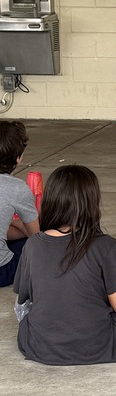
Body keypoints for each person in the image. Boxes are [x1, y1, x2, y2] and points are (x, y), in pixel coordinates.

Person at [14, 165, 116, 366]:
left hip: (38, 345)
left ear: (49, 202)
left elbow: (25, 296)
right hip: (97, 344)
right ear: (92, 204)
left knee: (22, 304)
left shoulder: (32, 244)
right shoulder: (106, 245)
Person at [0, 120, 39, 287]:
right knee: (38, 246)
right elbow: (36, 236)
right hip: (2, 271)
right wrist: (17, 223)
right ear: (18, 159)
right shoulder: (17, 188)